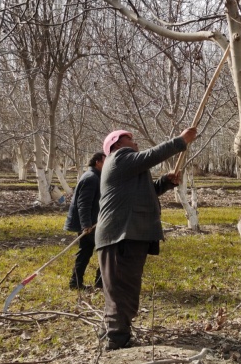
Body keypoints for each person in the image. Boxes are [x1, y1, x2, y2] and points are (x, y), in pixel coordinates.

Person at [96, 127, 197, 350]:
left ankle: (110, 335)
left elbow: (142, 193)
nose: (134, 142)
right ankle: (116, 342)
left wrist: (164, 183)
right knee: (123, 292)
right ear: (115, 144)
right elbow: (150, 156)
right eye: (129, 138)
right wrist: (180, 141)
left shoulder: (125, 167)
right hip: (121, 235)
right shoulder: (119, 158)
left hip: (125, 235)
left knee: (121, 289)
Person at [63, 152, 105, 290]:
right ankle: (98, 283)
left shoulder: (95, 176)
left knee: (86, 252)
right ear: (98, 162)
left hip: (93, 222)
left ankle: (76, 283)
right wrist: (86, 225)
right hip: (89, 224)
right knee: (103, 251)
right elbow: (83, 204)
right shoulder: (91, 178)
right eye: (106, 160)